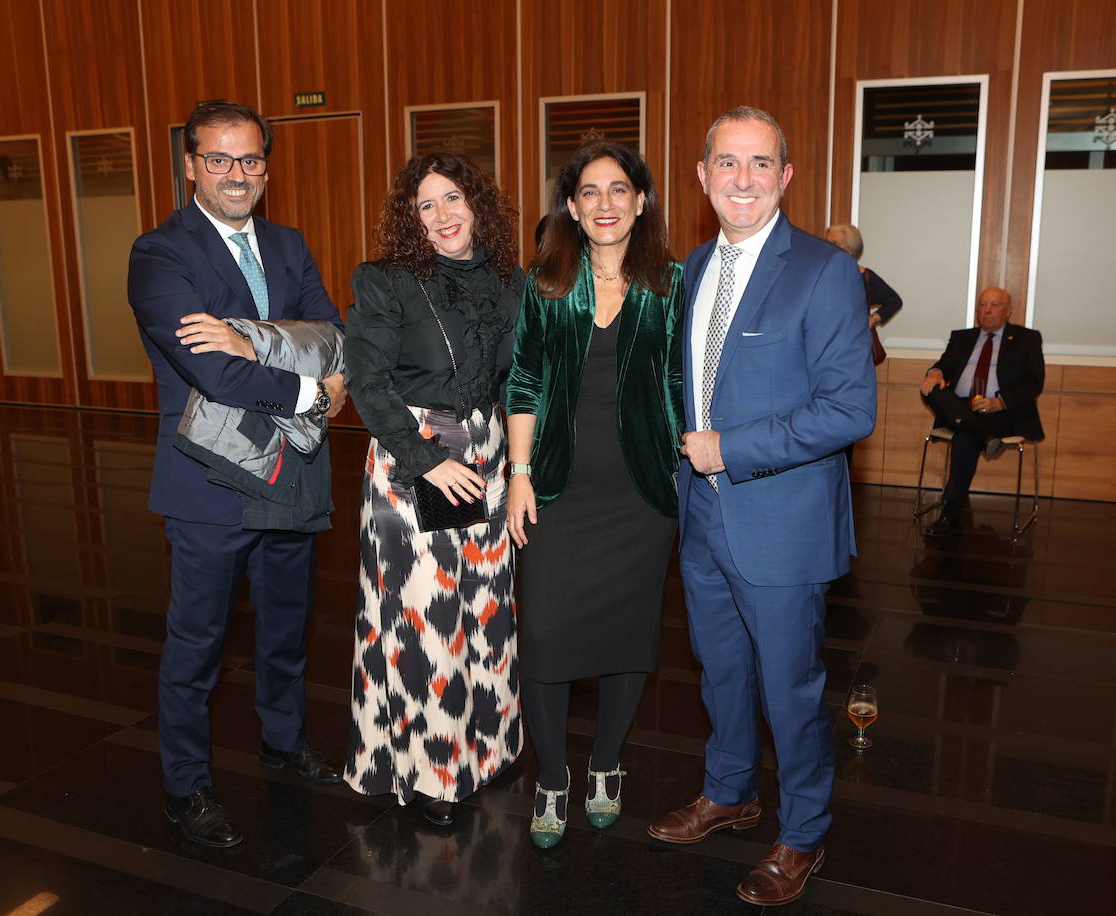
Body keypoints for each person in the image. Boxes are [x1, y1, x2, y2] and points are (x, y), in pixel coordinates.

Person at [648, 107, 876, 907]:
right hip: (702, 517)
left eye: (760, 164)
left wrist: (729, 448)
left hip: (780, 520)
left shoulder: (823, 270)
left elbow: (850, 409)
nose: (741, 179)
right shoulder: (692, 266)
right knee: (720, 671)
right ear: (703, 175)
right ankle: (730, 791)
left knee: (791, 688)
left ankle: (804, 832)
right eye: (726, 163)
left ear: (784, 177)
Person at [128, 101, 348, 849]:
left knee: (286, 632)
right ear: (190, 164)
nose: (236, 174)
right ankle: (184, 787)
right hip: (209, 480)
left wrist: (257, 339)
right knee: (199, 645)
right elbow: (211, 369)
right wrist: (308, 386)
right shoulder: (160, 253)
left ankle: (283, 741)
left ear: (266, 164)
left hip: (292, 474)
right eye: (218, 159)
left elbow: (336, 336)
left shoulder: (287, 243)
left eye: (250, 159)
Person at [505, 142, 683, 848]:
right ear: (572, 208)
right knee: (543, 635)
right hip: (557, 486)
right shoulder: (545, 281)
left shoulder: (671, 282)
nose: (605, 203)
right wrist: (518, 473)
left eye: (619, 190)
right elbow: (523, 381)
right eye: (589, 191)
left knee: (626, 639)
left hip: (642, 491)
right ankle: (553, 775)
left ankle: (606, 765)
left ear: (641, 202)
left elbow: (686, 383)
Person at [343, 152, 524, 827]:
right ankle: (428, 773)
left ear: (478, 204)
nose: (444, 216)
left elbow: (514, 378)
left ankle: (488, 749)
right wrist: (426, 458)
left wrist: (513, 459)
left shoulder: (510, 281)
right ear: (411, 219)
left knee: (486, 605)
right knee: (427, 616)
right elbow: (369, 382)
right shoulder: (388, 281)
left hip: (487, 451)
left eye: (454, 198)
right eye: (427, 205)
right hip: (413, 455)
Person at [918, 286, 1044, 537]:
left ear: (1008, 311)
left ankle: (950, 512)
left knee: (965, 438)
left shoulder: (1026, 339)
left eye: (994, 305)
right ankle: (981, 433)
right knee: (930, 388)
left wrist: (1000, 402)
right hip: (960, 406)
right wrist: (935, 372)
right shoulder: (962, 337)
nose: (986, 310)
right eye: (982, 305)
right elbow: (944, 365)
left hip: (1001, 411)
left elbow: (1034, 383)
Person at [824, 223, 902, 330]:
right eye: (826, 243)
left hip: (857, 342)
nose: (828, 248)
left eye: (834, 243)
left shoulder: (865, 277)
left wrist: (873, 319)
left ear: (851, 247)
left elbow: (894, 301)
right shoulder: (819, 275)